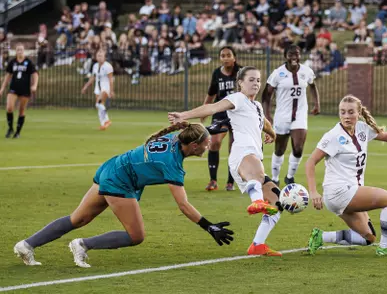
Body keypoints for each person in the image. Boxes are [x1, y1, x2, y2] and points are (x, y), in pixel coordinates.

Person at [14, 122, 234, 268]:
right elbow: (183, 205)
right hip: (121, 180)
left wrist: (215, 126)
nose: (209, 146)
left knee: (78, 218)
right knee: (136, 236)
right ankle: (82, 244)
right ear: (194, 145)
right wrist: (209, 226)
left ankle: (27, 245)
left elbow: (195, 128)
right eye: (206, 143)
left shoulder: (180, 136)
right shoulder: (172, 164)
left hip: (114, 167)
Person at [168, 66, 284, 257]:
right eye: (251, 80)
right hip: (242, 154)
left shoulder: (257, 106)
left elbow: (264, 122)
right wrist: (184, 115)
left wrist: (272, 134)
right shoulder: (237, 99)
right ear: (240, 83)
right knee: (258, 172)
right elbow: (212, 107)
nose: (256, 83)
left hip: (252, 157)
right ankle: (256, 202)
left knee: (277, 201)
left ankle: (258, 244)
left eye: (258, 80)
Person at [305, 95, 387, 257]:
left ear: (359, 113)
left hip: (347, 193)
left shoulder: (362, 129)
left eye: (350, 112)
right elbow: (310, 162)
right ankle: (385, 247)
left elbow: (386, 136)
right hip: (339, 192)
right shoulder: (333, 136)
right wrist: (313, 192)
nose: (346, 116)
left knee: (368, 238)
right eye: (342, 112)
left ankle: (320, 236)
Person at [262, 45, 320, 186]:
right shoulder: (278, 73)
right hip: (282, 116)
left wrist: (317, 104)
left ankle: (289, 177)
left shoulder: (306, 71)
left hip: (300, 115)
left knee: (298, 148)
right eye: (290, 54)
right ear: (285, 56)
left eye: (297, 54)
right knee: (280, 149)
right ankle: (275, 178)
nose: (294, 57)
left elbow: (313, 86)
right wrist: (267, 115)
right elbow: (266, 95)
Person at [201, 46, 241, 191]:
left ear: (234, 57)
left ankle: (231, 182)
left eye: (228, 55)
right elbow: (211, 93)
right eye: (222, 55)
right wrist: (205, 109)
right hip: (221, 113)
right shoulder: (217, 73)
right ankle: (213, 180)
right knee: (215, 142)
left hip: (238, 113)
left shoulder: (241, 73)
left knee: (234, 147)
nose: (225, 58)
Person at [0, 43, 39, 139]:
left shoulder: (28, 62)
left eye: (21, 49)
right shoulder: (12, 62)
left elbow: (35, 74)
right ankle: (10, 128)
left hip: (25, 89)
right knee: (9, 108)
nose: (20, 51)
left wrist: (34, 85)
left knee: (21, 110)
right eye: (18, 50)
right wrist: (2, 89)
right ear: (15, 51)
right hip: (13, 88)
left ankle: (17, 132)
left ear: (24, 51)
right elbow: (7, 76)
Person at [81, 50, 114, 131]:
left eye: (101, 56)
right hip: (97, 88)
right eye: (98, 55)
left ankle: (107, 120)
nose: (99, 57)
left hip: (105, 87)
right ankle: (103, 124)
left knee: (98, 103)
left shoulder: (108, 66)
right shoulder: (95, 66)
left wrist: (111, 91)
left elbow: (111, 79)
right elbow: (93, 78)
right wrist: (85, 87)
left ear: (104, 57)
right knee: (99, 106)